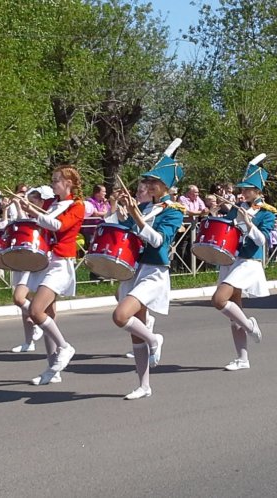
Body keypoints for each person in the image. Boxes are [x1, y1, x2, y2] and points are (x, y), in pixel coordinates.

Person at [111, 145, 185, 400]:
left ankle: (155, 339)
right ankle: (144, 385)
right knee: (135, 329)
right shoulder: (143, 208)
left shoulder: (174, 211)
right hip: (134, 270)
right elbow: (127, 231)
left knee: (121, 316)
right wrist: (122, 211)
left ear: (166, 187)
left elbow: (157, 241)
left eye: (156, 182)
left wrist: (136, 217)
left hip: (154, 271)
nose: (150, 185)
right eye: (149, 181)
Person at [14, 165, 85, 386]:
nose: (53, 183)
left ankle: (65, 347)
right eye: (53, 179)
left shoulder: (77, 205)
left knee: (37, 311)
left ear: (69, 183)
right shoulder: (52, 204)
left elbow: (60, 226)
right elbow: (41, 225)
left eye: (56, 180)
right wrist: (26, 208)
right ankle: (53, 369)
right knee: (48, 317)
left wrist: (36, 212)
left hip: (61, 263)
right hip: (46, 261)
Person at [210, 154, 275, 371]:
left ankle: (250, 326)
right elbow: (226, 232)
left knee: (220, 300)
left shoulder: (266, 213)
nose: (243, 193)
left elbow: (262, 240)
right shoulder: (237, 208)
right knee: (233, 310)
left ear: (258, 192)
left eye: (248, 189)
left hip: (248, 262)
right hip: (231, 260)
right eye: (243, 189)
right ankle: (242, 359)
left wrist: (248, 223)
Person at [8, 186, 52, 354]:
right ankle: (28, 341)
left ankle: (39, 318)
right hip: (23, 260)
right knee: (23, 302)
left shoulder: (45, 218)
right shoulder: (30, 217)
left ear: (41, 203)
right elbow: (20, 221)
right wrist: (19, 206)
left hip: (37, 261)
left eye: (33, 203)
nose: (29, 206)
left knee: (20, 298)